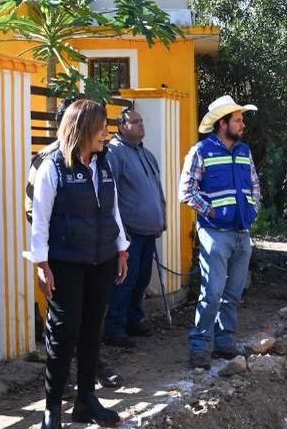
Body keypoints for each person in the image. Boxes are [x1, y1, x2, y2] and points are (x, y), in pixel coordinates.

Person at [30, 99, 129, 429]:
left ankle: (85, 400)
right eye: (101, 127)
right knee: (62, 335)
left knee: (92, 329)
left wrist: (121, 247)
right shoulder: (52, 167)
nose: (106, 133)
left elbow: (113, 208)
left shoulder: (103, 164)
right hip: (66, 263)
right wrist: (42, 265)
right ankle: (51, 410)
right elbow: (39, 221)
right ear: (84, 129)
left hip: (102, 259)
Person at [178, 95, 261, 369]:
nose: (242, 124)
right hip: (215, 234)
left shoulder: (244, 151)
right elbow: (186, 191)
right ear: (222, 123)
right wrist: (211, 212)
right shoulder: (201, 151)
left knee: (233, 293)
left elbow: (254, 185)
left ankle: (224, 344)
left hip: (241, 232)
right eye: (238, 119)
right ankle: (199, 346)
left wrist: (253, 210)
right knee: (212, 293)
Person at [104, 108, 167, 348]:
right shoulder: (115, 153)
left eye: (141, 120)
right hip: (129, 231)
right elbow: (112, 192)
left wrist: (161, 219)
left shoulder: (147, 154)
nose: (141, 125)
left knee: (142, 278)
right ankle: (115, 328)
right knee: (125, 279)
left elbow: (156, 189)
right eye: (135, 121)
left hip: (149, 229)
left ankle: (134, 319)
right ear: (121, 127)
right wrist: (119, 229)